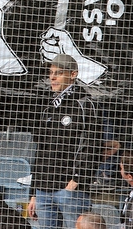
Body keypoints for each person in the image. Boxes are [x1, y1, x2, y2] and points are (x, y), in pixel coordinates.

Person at [28, 54, 99, 229]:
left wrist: (76, 181)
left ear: (73, 74)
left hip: (69, 190)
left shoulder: (84, 104)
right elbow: (40, 150)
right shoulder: (47, 107)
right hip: (43, 190)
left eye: (58, 73)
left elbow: (91, 145)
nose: (52, 77)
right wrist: (34, 192)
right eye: (51, 73)